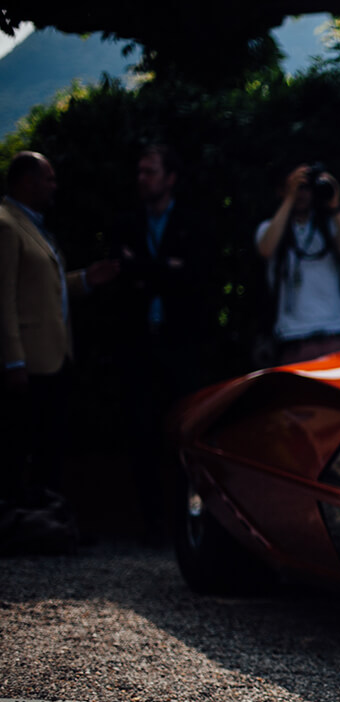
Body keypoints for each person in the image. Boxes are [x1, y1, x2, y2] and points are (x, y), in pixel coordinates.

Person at [0, 151, 119, 526]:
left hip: (54, 356)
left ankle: (44, 522)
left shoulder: (32, 224)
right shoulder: (5, 225)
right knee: (24, 444)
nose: (54, 186)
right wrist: (13, 359)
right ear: (26, 182)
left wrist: (85, 280)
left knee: (49, 442)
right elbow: (2, 298)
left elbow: (43, 289)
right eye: (48, 179)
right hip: (31, 361)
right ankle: (23, 524)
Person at [108, 144, 214, 539]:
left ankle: (186, 516)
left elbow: (194, 279)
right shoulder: (126, 224)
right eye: (139, 172)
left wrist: (143, 268)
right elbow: (124, 277)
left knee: (186, 429)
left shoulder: (191, 223)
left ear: (170, 178)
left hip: (180, 343)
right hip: (139, 344)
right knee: (141, 430)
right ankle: (152, 521)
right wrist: (166, 270)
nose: (142, 179)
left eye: (150, 172)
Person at [255, 163, 340, 365]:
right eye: (296, 187)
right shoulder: (269, 228)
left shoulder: (327, 226)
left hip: (335, 332)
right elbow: (266, 249)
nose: (302, 194)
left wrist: (335, 205)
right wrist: (289, 198)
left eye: (306, 188)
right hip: (293, 337)